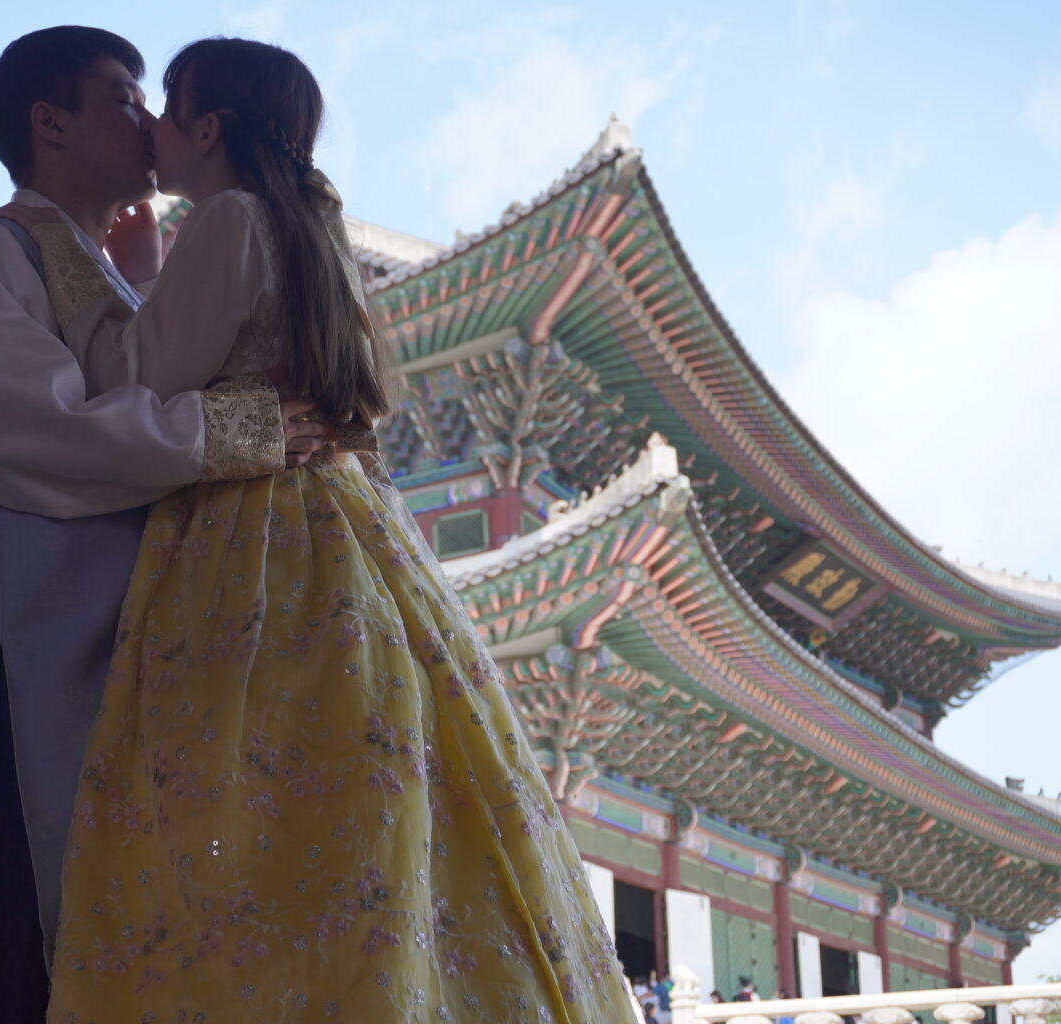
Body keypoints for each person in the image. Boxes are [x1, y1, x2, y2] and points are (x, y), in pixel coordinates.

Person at [41, 36, 637, 1024]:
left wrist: (100, 261)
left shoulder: (228, 223)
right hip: (349, 534)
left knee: (225, 804)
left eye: (163, 106)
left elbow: (134, 378)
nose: (146, 125)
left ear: (207, 129)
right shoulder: (307, 232)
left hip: (247, 538)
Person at [0, 26, 328, 1024]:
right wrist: (228, 430)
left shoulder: (112, 273)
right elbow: (28, 435)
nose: (151, 121)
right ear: (51, 122)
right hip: (28, 677)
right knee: (20, 952)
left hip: (128, 668)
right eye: (126, 98)